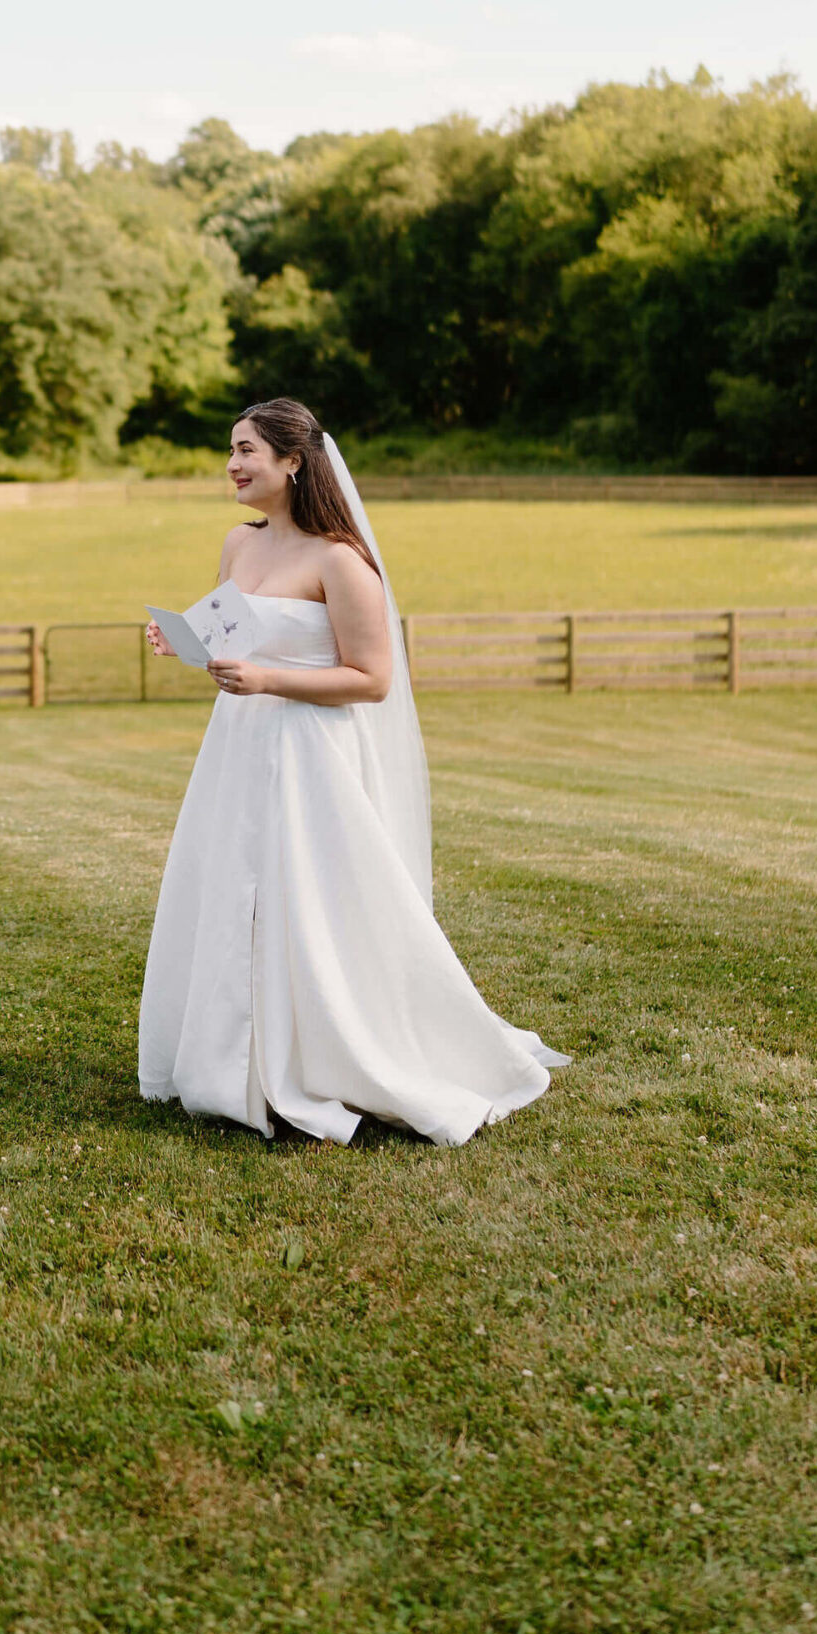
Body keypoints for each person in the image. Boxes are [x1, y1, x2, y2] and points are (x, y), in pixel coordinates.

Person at [138, 397, 566, 1148]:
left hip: (309, 759)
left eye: (246, 451)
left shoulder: (340, 560)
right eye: (230, 451)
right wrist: (184, 639)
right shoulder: (238, 544)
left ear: (293, 462)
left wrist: (270, 682)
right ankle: (234, 1057)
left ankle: (328, 1055)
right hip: (237, 749)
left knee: (307, 902)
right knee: (234, 892)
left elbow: (370, 679)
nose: (232, 465)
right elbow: (231, 633)